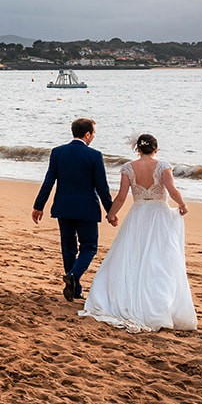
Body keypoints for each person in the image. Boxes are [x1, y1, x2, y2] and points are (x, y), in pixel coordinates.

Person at [80, 134, 196, 333]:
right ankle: (158, 305)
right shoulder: (163, 166)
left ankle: (126, 297)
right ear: (156, 149)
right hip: (159, 215)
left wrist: (111, 214)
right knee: (159, 259)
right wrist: (182, 205)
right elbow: (172, 190)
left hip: (138, 215)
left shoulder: (128, 168)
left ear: (137, 149)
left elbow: (122, 196)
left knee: (131, 256)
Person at [32, 117, 116, 301]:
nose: (93, 137)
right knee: (89, 246)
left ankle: (74, 289)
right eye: (93, 133)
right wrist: (111, 211)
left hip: (63, 207)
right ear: (87, 134)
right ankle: (74, 276)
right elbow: (102, 187)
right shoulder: (94, 155)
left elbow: (49, 181)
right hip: (87, 209)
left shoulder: (58, 152)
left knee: (68, 246)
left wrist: (38, 206)